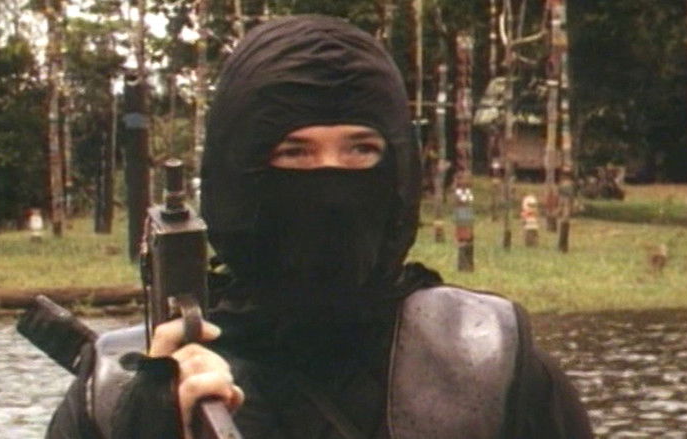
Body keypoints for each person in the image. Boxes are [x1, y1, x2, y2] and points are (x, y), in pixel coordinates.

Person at [46, 15, 593, 439]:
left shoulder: (489, 365)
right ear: (237, 172)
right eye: (295, 153)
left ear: (398, 171)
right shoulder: (121, 393)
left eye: (361, 150)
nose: (330, 188)